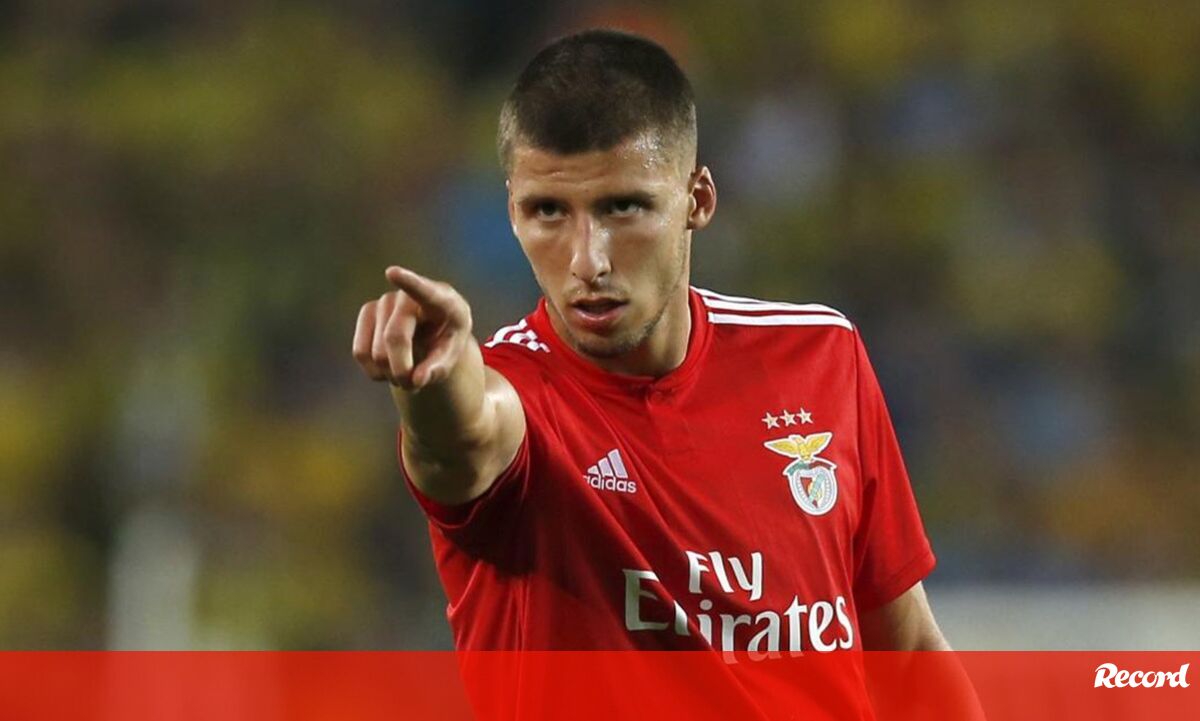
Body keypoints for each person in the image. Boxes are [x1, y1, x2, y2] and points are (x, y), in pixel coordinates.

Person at [353, 28, 964, 717]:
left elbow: (907, 655)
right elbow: (462, 436)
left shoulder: (820, 353)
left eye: (623, 207)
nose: (588, 261)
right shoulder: (518, 393)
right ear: (512, 213)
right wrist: (432, 384)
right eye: (548, 211)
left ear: (697, 200)